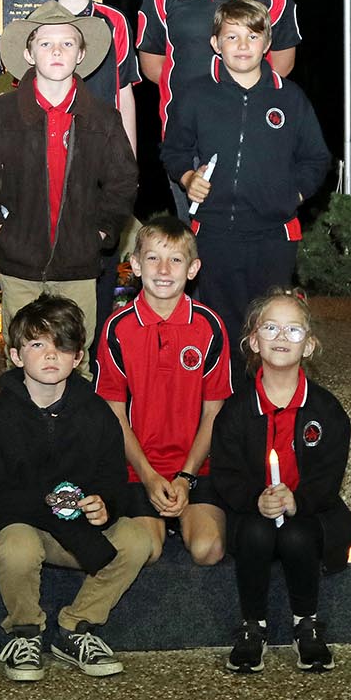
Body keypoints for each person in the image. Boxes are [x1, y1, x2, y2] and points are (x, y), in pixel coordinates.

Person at [0, 295, 155, 682]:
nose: (50, 355)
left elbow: (113, 480)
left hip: (76, 529)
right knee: (17, 548)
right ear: (17, 356)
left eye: (62, 346)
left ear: (77, 358)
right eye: (37, 344)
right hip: (23, 524)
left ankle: (76, 628)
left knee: (138, 540)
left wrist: (104, 505)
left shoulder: (96, 412)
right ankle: (25, 632)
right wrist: (47, 504)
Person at [0, 0, 137, 378]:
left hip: (79, 265)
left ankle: (77, 437)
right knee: (22, 362)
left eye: (67, 43)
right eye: (45, 43)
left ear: (82, 53)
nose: (56, 51)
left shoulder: (103, 118)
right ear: (28, 53)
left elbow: (123, 181)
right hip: (20, 265)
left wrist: (102, 232)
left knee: (78, 361)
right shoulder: (1, 113)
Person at [161, 0, 331, 333]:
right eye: (232, 36)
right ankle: (224, 386)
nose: (242, 45)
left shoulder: (290, 97)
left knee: (267, 325)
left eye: (253, 37)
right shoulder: (196, 95)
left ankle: (265, 386)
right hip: (214, 233)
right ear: (216, 43)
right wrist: (187, 176)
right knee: (219, 327)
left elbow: (317, 158)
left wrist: (291, 195)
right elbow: (173, 149)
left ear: (267, 43)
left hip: (273, 236)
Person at [211, 288, 351, 673]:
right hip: (253, 509)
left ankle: (306, 623)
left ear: (309, 346)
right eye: (270, 328)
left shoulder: (327, 410)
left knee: (296, 536)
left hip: (309, 508)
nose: (280, 337)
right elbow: (225, 473)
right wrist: (255, 499)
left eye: (293, 331)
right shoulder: (236, 410)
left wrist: (299, 501)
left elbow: (328, 475)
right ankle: (252, 626)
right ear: (253, 340)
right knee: (257, 534)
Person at [138, 0, 302, 218]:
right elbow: (154, 63)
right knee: (194, 244)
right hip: (188, 141)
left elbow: (283, 60)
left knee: (254, 239)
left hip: (255, 133)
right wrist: (198, 102)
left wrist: (239, 100)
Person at [94, 217, 232, 565]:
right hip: (138, 468)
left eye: (176, 259)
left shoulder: (209, 325)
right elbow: (113, 413)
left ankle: (186, 515)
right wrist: (149, 476)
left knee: (208, 550)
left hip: (196, 467)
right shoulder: (117, 327)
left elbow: (214, 412)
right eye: (153, 258)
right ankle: (158, 518)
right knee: (147, 552)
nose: (164, 269)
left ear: (193, 268)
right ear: (136, 265)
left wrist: (185, 476)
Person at [41, 0, 141, 350]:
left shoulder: (114, 21)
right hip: (51, 162)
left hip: (101, 162)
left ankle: (95, 358)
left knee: (98, 258)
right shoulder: (35, 22)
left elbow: (123, 91)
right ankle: (52, 357)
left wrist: (129, 161)